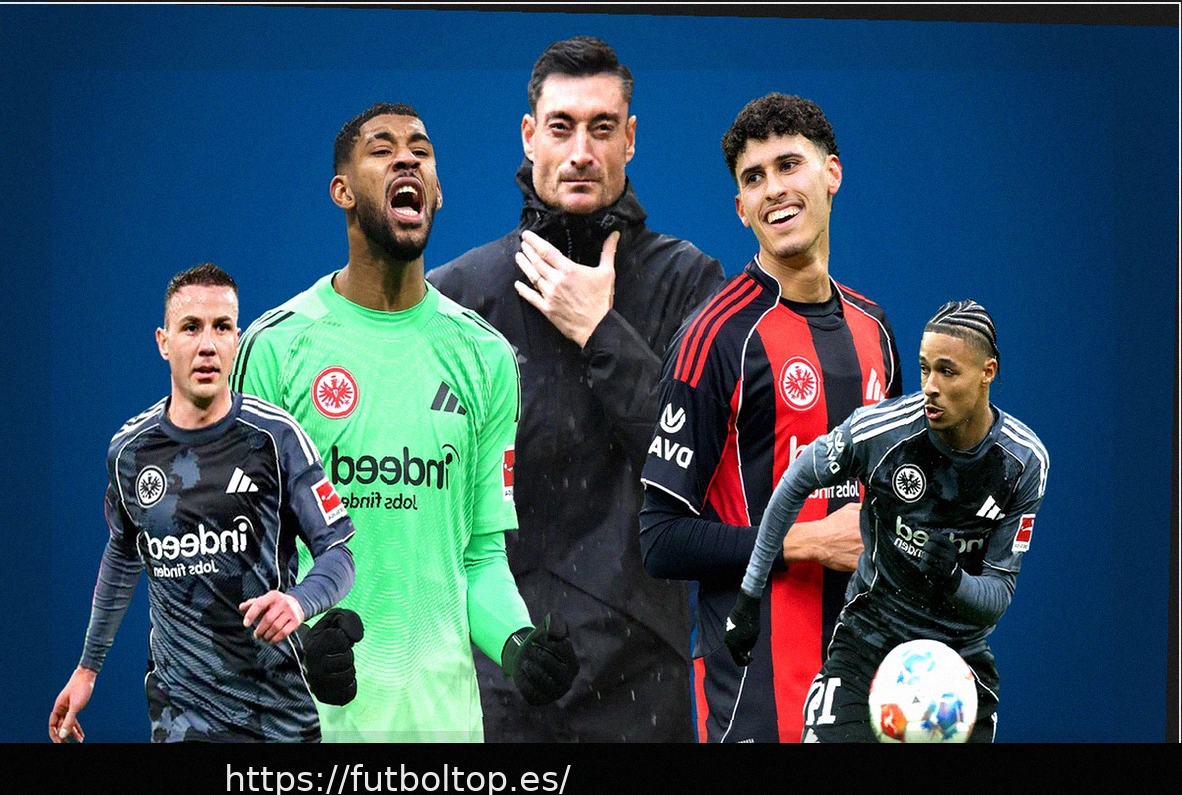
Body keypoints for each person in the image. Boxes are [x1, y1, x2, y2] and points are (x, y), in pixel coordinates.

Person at [230, 102, 578, 743]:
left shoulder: (485, 357)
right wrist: (303, 644)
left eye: (420, 150)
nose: (407, 159)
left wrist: (519, 644)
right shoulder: (277, 349)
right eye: (382, 149)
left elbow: (478, 558)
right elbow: (240, 556)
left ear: (437, 192)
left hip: (446, 733)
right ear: (342, 191)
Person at [427, 36, 725, 742]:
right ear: (529, 136)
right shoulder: (457, 296)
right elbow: (422, 503)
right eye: (561, 127)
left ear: (631, 138)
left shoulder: (690, 283)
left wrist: (600, 331)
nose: (581, 152)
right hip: (492, 675)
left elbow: (700, 473)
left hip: (640, 675)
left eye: (602, 127)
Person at [639, 93, 903, 743]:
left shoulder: (875, 330)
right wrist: (806, 541)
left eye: (789, 165)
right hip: (756, 698)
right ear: (741, 208)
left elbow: (894, 508)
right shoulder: (715, 337)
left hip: (872, 692)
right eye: (754, 178)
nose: (774, 190)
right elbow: (660, 538)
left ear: (832, 173)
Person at [48, 263, 357, 743]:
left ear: (237, 340)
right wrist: (87, 669)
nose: (207, 344)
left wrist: (298, 602)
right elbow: (125, 553)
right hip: (180, 719)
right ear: (163, 342)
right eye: (191, 327)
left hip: (278, 717)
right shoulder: (130, 452)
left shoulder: (276, 438)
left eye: (222, 327)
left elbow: (339, 552)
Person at [725, 300, 1049, 743]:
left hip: (956, 665)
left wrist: (953, 581)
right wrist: (749, 594)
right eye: (924, 369)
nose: (930, 387)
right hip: (868, 644)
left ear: (987, 372)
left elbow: (998, 594)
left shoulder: (1022, 462)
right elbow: (793, 484)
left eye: (947, 372)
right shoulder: (881, 432)